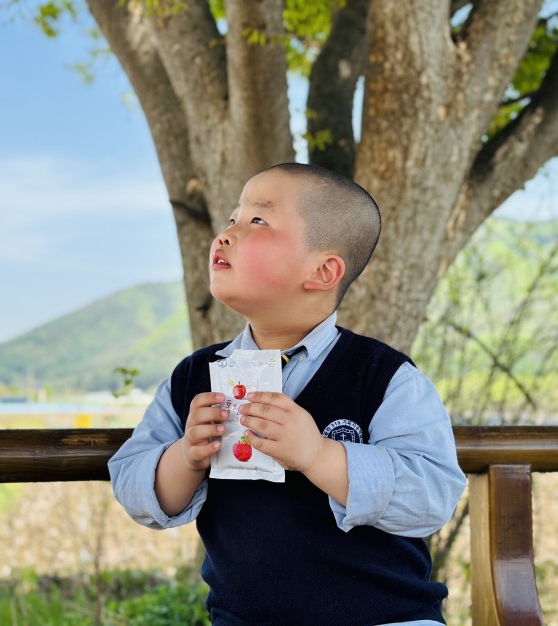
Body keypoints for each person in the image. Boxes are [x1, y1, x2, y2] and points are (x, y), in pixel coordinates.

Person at [108, 163, 467, 625]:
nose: (226, 234)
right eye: (233, 218)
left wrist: (318, 455)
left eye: (257, 221)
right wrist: (187, 455)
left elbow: (432, 496)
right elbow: (134, 486)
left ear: (322, 271)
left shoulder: (385, 377)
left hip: (387, 616)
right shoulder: (194, 377)